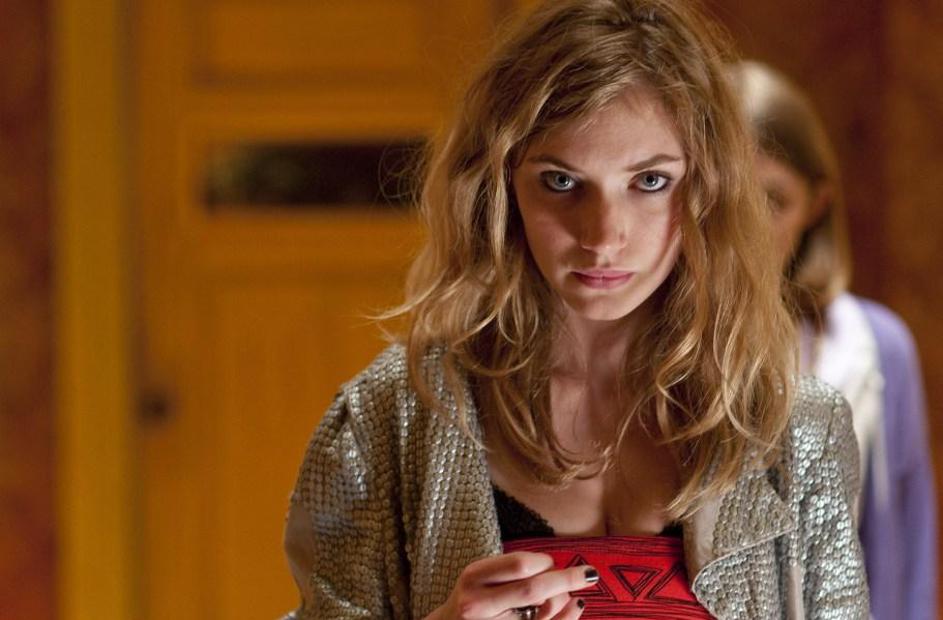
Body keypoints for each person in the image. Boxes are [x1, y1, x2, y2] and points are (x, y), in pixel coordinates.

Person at [283, 2, 868, 618]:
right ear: (499, 184)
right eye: (561, 181)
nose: (603, 236)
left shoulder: (797, 430)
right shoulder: (386, 420)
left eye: (649, 181)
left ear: (708, 187)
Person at [731, 60, 937, 620]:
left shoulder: (873, 347)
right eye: (726, 197)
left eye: (773, 201)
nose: (745, 228)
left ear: (815, 206)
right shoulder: (649, 340)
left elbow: (907, 551)